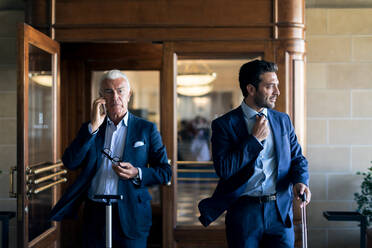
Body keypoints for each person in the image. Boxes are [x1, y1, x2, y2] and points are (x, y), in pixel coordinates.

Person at [50, 70, 172, 248]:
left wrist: (137, 173)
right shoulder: (90, 128)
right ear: (100, 97)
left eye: (120, 91)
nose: (115, 97)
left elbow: (165, 172)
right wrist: (93, 127)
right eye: (108, 91)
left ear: (129, 95)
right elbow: (70, 162)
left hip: (132, 214)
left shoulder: (146, 129)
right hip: (95, 214)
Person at [198, 60, 311, 248]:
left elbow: (297, 158)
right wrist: (254, 141)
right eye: (269, 86)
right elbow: (224, 169)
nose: (277, 92)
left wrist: (301, 181)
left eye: (277, 85)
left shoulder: (283, 120)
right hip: (244, 212)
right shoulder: (224, 125)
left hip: (280, 211)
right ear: (251, 89)